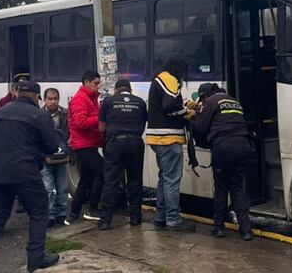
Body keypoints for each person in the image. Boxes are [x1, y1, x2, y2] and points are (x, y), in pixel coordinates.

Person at [0, 81, 67, 273]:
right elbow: (51, 147)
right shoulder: (39, 115)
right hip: (26, 173)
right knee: (39, 212)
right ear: (35, 96)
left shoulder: (0, 113)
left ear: (17, 93)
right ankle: (35, 258)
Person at [192, 83, 254, 240]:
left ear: (205, 95)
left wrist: (196, 114)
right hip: (243, 145)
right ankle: (245, 230)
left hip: (224, 146)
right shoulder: (233, 101)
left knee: (221, 188)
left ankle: (218, 228)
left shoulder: (211, 102)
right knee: (238, 188)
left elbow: (200, 127)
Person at [147, 59, 196, 232]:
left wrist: (183, 106)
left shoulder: (159, 79)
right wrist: (187, 113)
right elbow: (169, 105)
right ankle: (173, 219)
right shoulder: (169, 79)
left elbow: (167, 104)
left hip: (157, 139)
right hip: (168, 138)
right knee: (172, 180)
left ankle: (161, 217)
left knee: (164, 179)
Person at [97, 78, 148, 230]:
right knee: (135, 180)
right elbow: (142, 124)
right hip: (135, 143)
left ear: (115, 90)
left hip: (114, 143)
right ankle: (135, 218)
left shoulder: (108, 101)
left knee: (111, 181)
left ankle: (105, 221)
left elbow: (101, 128)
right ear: (130, 90)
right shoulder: (140, 102)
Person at [67, 70, 104, 222]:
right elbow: (80, 122)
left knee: (85, 180)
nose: (98, 86)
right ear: (87, 83)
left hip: (89, 143)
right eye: (95, 83)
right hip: (83, 144)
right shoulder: (80, 99)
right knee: (101, 172)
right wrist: (101, 118)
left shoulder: (91, 98)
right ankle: (92, 208)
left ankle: (73, 215)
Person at [41, 88, 70, 226]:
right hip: (46, 157)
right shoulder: (39, 115)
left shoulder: (65, 114)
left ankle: (61, 214)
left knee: (63, 188)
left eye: (55, 99)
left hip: (62, 157)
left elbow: (71, 134)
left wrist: (69, 151)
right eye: (50, 99)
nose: (53, 101)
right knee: (48, 189)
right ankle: (49, 215)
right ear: (45, 99)